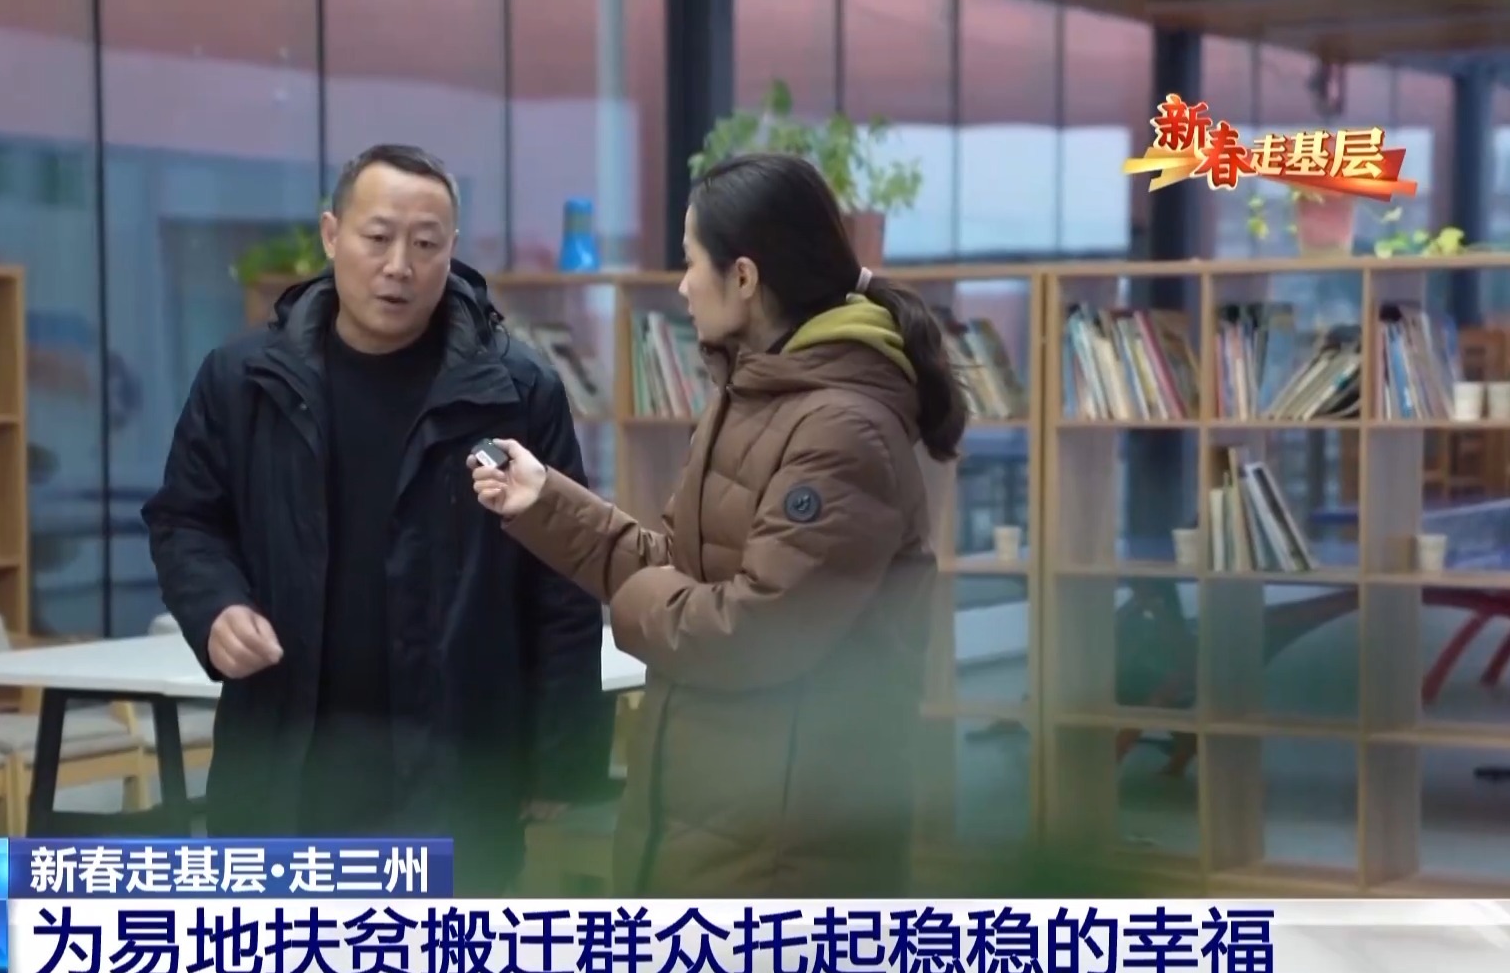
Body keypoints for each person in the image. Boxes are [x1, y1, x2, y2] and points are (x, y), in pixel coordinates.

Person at [468, 152, 967, 896]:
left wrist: (631, 608)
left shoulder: (841, 430)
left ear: (744, 277)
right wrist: (544, 501)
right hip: (715, 819)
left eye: (689, 260)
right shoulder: (754, 395)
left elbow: (755, 629)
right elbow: (682, 565)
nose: (681, 284)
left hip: (787, 850)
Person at [143, 143, 608, 893]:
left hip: (459, 765)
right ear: (332, 235)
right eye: (378, 237)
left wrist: (561, 760)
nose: (400, 266)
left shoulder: (515, 392)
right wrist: (215, 605)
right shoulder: (243, 381)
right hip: (286, 759)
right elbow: (186, 520)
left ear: (451, 250)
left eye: (425, 245)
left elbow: (564, 577)